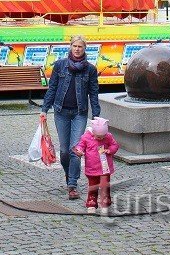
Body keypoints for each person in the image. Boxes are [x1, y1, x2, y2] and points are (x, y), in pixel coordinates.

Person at [41, 35, 100, 200]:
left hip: (79, 113)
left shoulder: (90, 69)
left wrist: (96, 116)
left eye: (80, 46)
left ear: (85, 49)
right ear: (70, 47)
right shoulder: (60, 65)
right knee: (65, 151)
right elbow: (52, 88)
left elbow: (93, 94)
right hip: (61, 112)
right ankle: (69, 175)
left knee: (76, 149)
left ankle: (72, 184)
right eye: (75, 46)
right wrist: (44, 109)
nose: (77, 49)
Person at [73, 115, 119, 214]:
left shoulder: (108, 136)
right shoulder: (86, 137)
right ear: (93, 132)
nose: (101, 138)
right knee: (92, 186)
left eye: (103, 136)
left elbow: (114, 145)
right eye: (98, 137)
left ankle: (105, 203)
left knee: (104, 186)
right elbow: (81, 145)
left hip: (105, 168)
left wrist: (110, 150)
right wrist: (79, 150)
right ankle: (91, 203)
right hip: (92, 168)